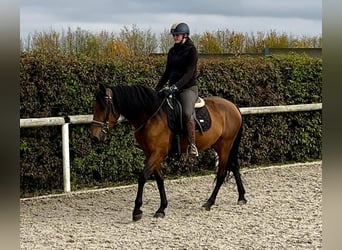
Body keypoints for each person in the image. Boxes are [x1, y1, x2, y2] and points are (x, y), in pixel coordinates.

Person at [155, 22, 199, 156]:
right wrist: (157, 88)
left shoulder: (192, 50)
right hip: (173, 88)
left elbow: (189, 73)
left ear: (185, 35)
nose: (175, 37)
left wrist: (175, 87)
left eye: (177, 35)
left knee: (186, 113)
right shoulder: (172, 51)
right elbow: (167, 72)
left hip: (187, 89)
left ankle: (192, 145)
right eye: (174, 35)